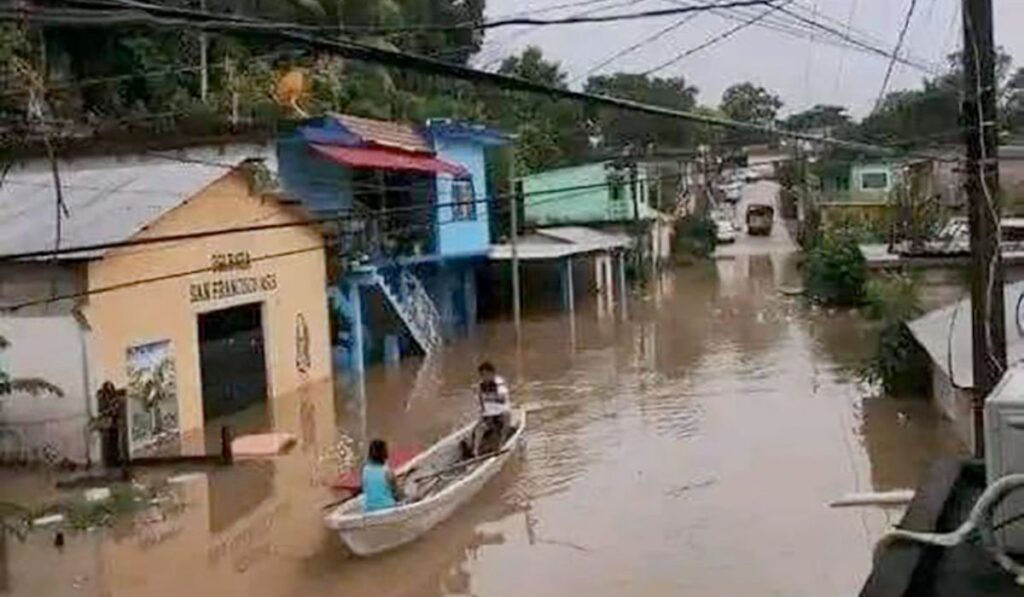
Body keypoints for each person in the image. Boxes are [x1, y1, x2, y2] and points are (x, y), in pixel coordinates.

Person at [473, 361, 511, 456]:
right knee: (479, 428)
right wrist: (482, 412)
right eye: (482, 375)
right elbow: (481, 400)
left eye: (486, 374)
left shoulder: (499, 383)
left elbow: (502, 399)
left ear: (492, 373)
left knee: (507, 417)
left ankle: (501, 445)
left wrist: (490, 397)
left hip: (501, 413)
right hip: (489, 414)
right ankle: (475, 451)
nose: (484, 377)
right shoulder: (481, 385)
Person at [362, 439, 404, 512]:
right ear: (384, 453)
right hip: (388, 507)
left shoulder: (365, 470)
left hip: (370, 508)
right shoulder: (388, 472)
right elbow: (397, 495)